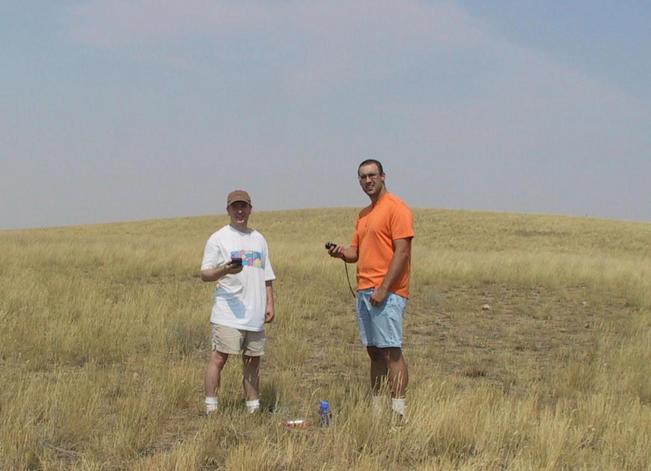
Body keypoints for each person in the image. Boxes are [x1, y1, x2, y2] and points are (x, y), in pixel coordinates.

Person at [327, 159, 413, 419]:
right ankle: (377, 411)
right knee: (374, 352)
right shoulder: (364, 215)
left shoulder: (397, 208)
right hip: (364, 290)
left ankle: (398, 413)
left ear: (383, 176)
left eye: (372, 175)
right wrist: (341, 252)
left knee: (391, 351)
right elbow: (356, 253)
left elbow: (402, 252)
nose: (368, 181)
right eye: (363, 177)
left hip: (386, 292)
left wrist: (384, 289)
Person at [200, 189, 275, 415]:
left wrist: (270, 304)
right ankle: (211, 407)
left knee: (253, 361)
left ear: (250, 209)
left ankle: (253, 407)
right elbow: (205, 274)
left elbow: (267, 275)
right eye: (235, 207)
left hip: (255, 313)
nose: (239, 211)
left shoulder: (259, 238)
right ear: (228, 210)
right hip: (228, 313)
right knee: (219, 358)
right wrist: (224, 270)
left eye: (244, 206)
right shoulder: (218, 238)